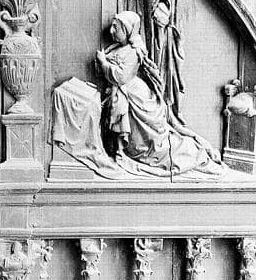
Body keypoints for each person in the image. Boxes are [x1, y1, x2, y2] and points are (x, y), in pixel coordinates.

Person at [95, 11, 222, 178]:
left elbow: (121, 77)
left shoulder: (134, 51)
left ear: (127, 30)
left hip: (135, 97)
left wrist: (103, 62)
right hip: (127, 93)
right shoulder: (119, 47)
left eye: (115, 28)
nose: (111, 31)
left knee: (151, 144)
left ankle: (190, 154)